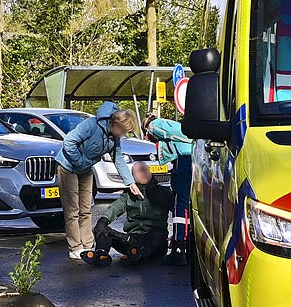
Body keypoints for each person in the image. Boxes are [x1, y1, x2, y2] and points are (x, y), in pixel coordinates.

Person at [54, 101, 138, 260]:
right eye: (123, 131)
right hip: (68, 166)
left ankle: (87, 245)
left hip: (86, 168)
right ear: (115, 123)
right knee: (72, 209)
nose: (123, 135)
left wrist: (130, 182)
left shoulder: (114, 138)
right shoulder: (91, 125)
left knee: (86, 208)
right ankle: (75, 248)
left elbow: (118, 159)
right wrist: (80, 161)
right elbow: (68, 142)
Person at [84, 162, 175, 266]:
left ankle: (136, 253)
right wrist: (103, 221)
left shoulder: (164, 193)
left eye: (145, 170)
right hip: (132, 238)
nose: (143, 173)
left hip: (155, 239)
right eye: (139, 172)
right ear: (132, 177)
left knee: (150, 240)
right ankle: (101, 254)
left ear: (150, 173)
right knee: (102, 227)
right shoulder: (128, 195)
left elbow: (179, 213)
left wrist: (177, 237)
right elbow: (114, 209)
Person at [145, 100, 195, 253]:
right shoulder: (168, 124)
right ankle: (182, 239)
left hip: (183, 161)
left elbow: (182, 135)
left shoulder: (155, 125)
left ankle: (180, 243)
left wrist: (149, 130)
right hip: (186, 160)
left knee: (181, 204)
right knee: (185, 203)